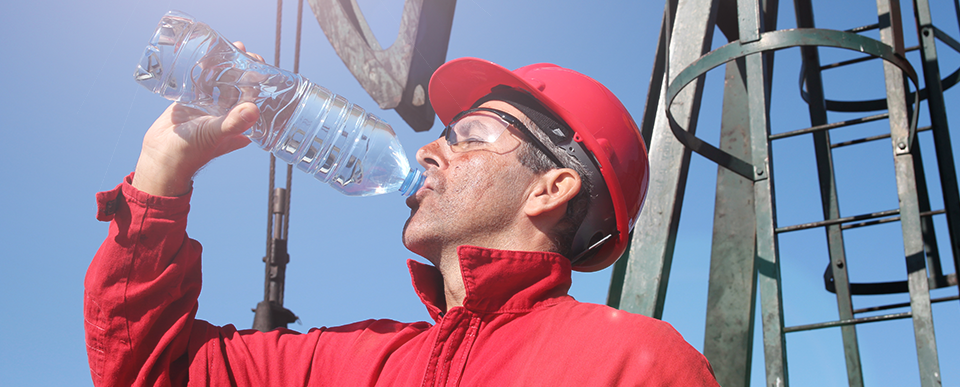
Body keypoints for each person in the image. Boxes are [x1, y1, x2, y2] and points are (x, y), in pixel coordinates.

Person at [85, 45, 719, 386]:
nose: (427, 148)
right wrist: (161, 172)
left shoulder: (632, 364)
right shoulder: (349, 362)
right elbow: (153, 373)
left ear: (549, 188)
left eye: (469, 133)